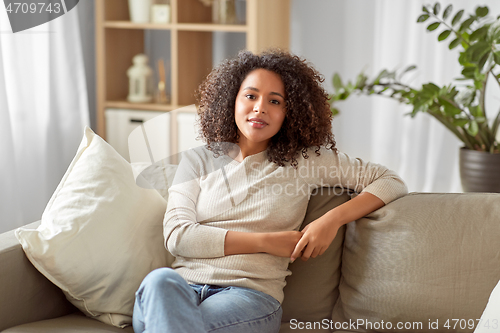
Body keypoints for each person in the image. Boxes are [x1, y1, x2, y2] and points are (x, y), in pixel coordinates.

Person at [132, 49, 408, 333]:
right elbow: (178, 237)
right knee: (159, 282)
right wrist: (266, 242)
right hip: (178, 291)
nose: (260, 108)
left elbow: (389, 180)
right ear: (232, 100)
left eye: (275, 101)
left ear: (291, 112)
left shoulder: (305, 161)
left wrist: (331, 220)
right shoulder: (197, 160)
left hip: (246, 297)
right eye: (250, 96)